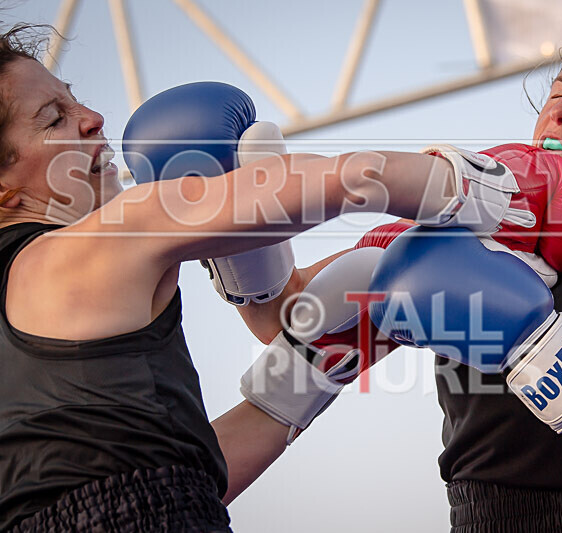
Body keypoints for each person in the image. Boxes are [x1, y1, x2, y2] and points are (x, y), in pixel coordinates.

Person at [0, 21, 511, 531]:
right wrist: (474, 187)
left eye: (75, 100)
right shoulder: (99, 242)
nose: (93, 119)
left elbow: (158, 486)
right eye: (54, 118)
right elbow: (348, 180)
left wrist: (295, 382)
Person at [238, 24, 562, 533]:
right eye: (557, 93)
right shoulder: (478, 231)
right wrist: (240, 231)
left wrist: (527, 342)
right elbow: (287, 317)